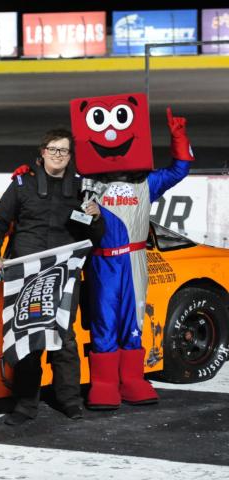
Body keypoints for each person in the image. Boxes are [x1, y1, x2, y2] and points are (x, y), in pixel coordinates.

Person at [68, 95, 195, 409]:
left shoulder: (147, 183)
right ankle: (104, 383)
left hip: (136, 260)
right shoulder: (88, 183)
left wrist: (178, 138)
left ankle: (133, 379)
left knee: (134, 318)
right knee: (104, 320)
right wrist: (27, 178)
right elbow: (55, 186)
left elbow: (179, 170)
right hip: (102, 262)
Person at [0, 128, 104, 426]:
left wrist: (97, 216)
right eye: (53, 149)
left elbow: (96, 237)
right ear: (42, 152)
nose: (58, 155)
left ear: (70, 156)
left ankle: (71, 401)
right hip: (26, 274)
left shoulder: (82, 189)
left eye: (64, 150)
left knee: (65, 337)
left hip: (63, 274)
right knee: (28, 337)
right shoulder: (22, 184)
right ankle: (25, 405)